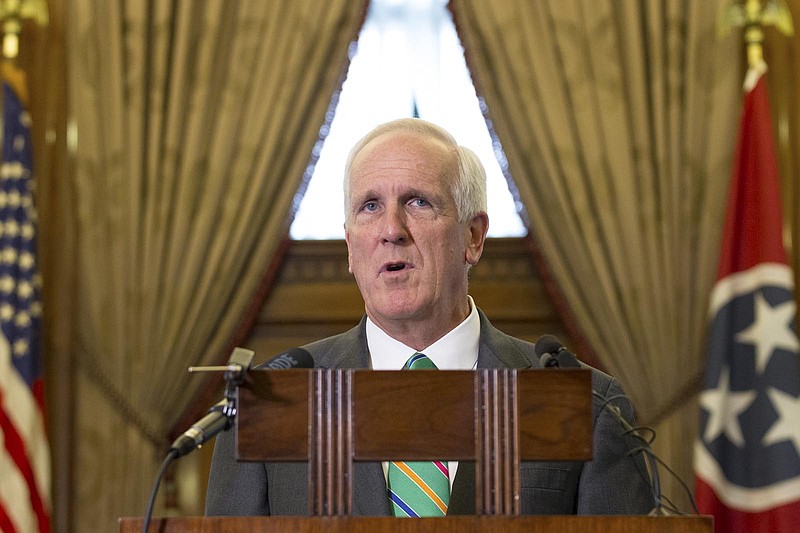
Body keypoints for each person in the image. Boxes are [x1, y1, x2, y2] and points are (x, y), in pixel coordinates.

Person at [205, 118, 654, 516]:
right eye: (370, 206)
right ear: (349, 245)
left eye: (418, 202)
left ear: (474, 237)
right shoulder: (267, 406)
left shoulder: (586, 402)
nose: (391, 230)